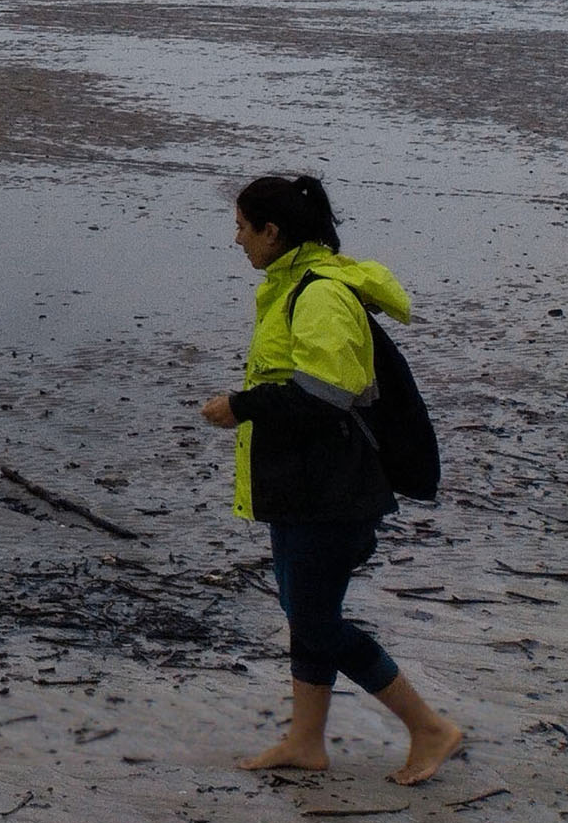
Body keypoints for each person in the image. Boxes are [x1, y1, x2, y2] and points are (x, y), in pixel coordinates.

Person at [196, 171, 462, 785]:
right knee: (305, 610)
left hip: (336, 491)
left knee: (316, 620)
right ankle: (306, 740)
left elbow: (326, 396)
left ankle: (429, 728)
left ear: (272, 230)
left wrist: (241, 406)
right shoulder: (291, 286)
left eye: (241, 227)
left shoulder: (318, 295)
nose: (236, 240)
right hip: (301, 485)